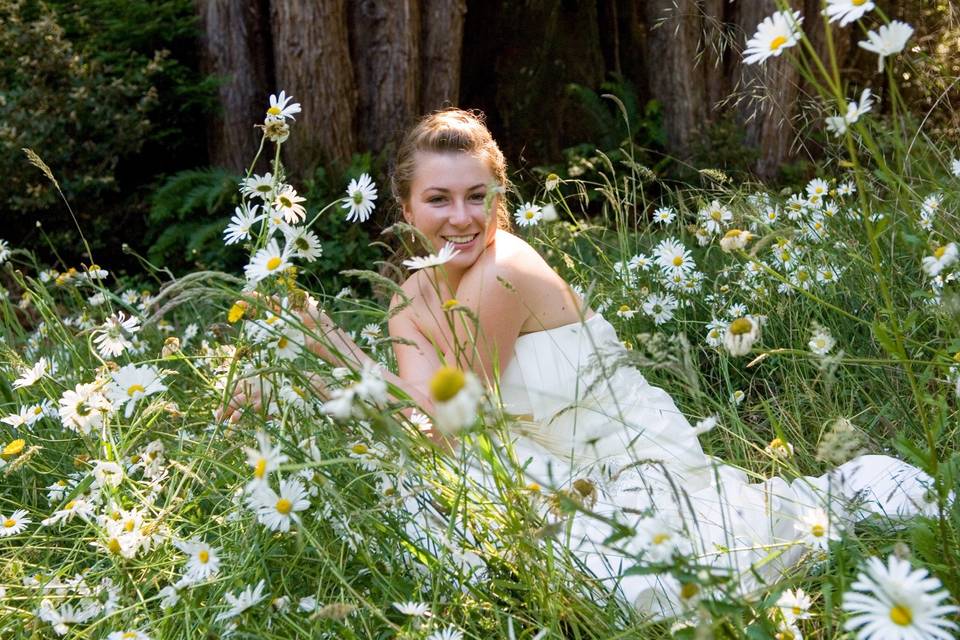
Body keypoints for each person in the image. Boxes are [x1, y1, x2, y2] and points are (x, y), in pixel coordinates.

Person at [222, 108, 938, 618]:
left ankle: (860, 499)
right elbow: (420, 426)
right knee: (426, 487)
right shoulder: (408, 300)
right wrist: (312, 379)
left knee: (665, 576)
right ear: (407, 209)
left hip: (630, 465)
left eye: (479, 195)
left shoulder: (504, 269)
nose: (461, 216)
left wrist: (331, 353)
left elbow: (445, 416)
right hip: (550, 469)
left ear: (501, 199)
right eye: (438, 198)